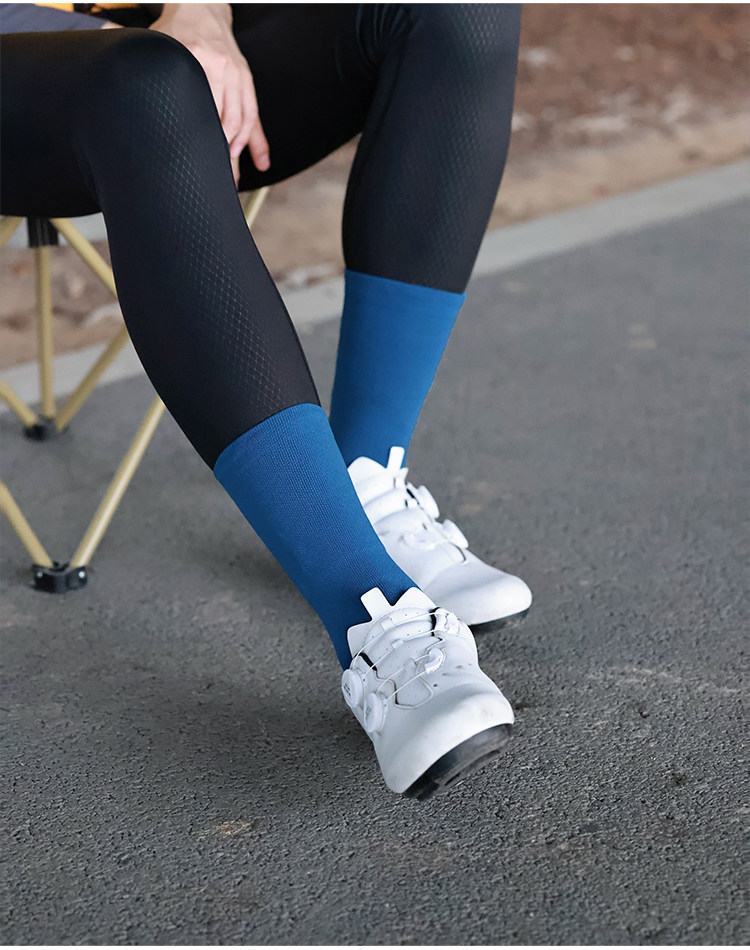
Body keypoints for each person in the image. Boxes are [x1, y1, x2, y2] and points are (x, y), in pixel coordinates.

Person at [1, 2, 531, 799]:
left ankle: (365, 479)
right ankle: (371, 616)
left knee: (456, 10)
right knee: (148, 85)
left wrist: (199, 12)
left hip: (161, 37)